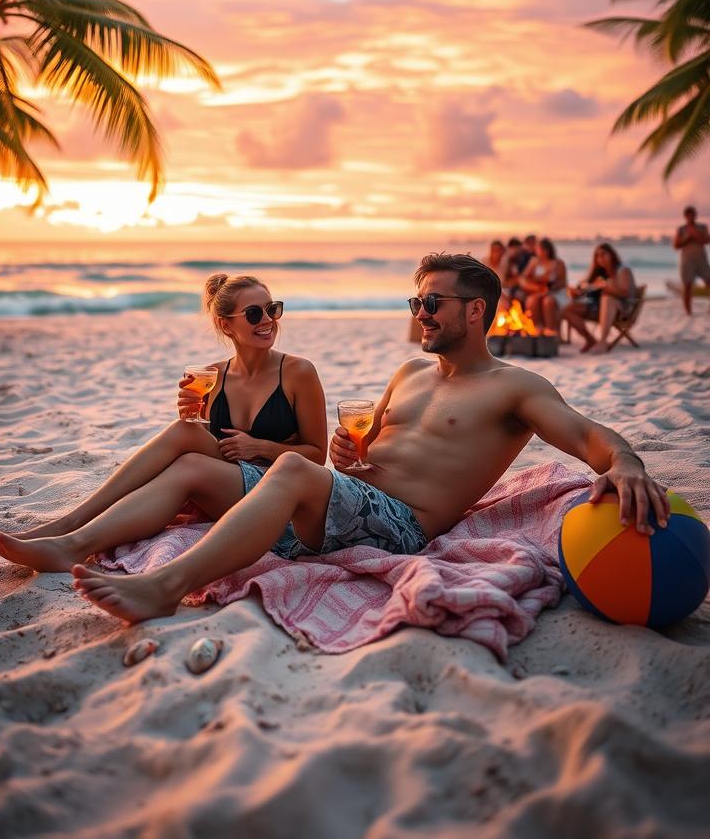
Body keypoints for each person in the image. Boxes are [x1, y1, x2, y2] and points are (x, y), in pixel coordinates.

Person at [68, 252, 668, 626]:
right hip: (343, 503)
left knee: (294, 473)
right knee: (190, 466)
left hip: (403, 524)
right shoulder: (408, 373)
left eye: (433, 302)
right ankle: (73, 541)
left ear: (477, 311)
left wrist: (629, 461)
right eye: (417, 301)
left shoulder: (515, 388)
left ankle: (164, 588)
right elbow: (354, 453)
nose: (421, 313)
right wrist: (346, 454)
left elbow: (591, 438)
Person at [0, 273, 327, 572]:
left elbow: (317, 456)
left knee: (189, 458)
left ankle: (71, 534)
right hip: (229, 486)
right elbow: (214, 446)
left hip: (277, 494)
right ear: (227, 325)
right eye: (255, 313)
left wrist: (261, 446)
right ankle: (70, 527)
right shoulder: (213, 376)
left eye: (273, 309)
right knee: (185, 431)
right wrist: (192, 418)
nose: (267, 320)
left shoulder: (298, 372)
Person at [560, 243, 637, 354]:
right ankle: (590, 340)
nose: (600, 258)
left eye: (603, 254)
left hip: (620, 310)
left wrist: (605, 287)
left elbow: (625, 293)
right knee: (567, 310)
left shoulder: (622, 270)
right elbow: (587, 289)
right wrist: (578, 292)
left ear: (612, 255)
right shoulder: (599, 273)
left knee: (607, 298)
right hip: (597, 308)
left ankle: (603, 341)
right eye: (597, 256)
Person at [520, 237, 568, 334]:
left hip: (555, 292)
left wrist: (549, 288)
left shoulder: (558, 263)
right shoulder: (534, 262)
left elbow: (562, 283)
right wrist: (535, 287)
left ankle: (551, 330)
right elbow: (523, 278)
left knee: (548, 301)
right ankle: (537, 328)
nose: (537, 251)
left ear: (546, 251)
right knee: (532, 300)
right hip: (539, 291)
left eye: (539, 249)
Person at [673, 206, 710, 316]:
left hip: (701, 260)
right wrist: (688, 237)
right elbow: (676, 245)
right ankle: (688, 312)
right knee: (687, 285)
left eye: (693, 214)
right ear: (686, 216)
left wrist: (695, 233)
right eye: (689, 215)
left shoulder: (702, 227)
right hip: (687, 261)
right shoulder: (681, 229)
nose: (691, 217)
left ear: (695, 215)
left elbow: (706, 240)